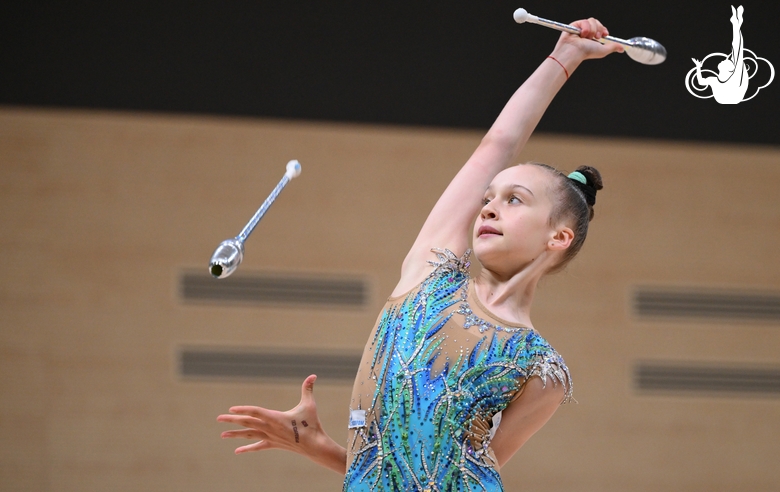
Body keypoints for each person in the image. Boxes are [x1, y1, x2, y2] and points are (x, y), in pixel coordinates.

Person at [218, 16, 623, 491]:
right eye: (488, 198)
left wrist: (570, 57)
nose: (489, 207)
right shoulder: (432, 274)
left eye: (514, 200)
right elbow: (496, 146)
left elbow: (450, 477)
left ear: (558, 237)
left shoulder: (543, 371)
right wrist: (564, 56)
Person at [692, 5, 748, 104]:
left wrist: (698, 67)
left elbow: (737, 49)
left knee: (737, 51)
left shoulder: (734, 77)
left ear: (729, 69)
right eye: (728, 60)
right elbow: (701, 82)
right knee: (737, 52)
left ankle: (736, 23)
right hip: (728, 97)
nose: (725, 59)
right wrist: (698, 67)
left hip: (732, 96)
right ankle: (736, 23)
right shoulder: (714, 80)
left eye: (727, 61)